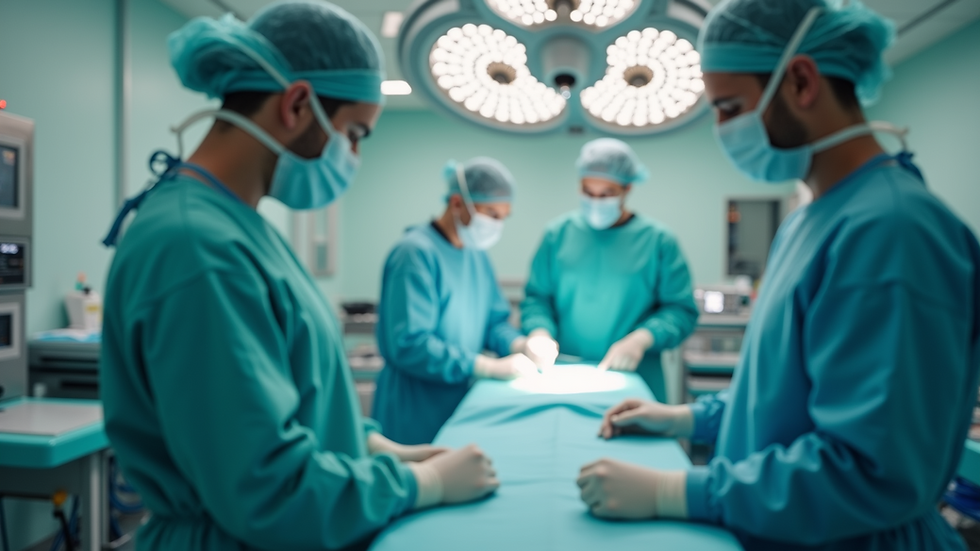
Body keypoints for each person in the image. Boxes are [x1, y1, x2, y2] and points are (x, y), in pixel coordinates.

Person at [576, 1, 980, 550]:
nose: (722, 129)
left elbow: (870, 471)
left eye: (728, 106)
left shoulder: (893, 232)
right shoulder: (807, 222)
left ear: (801, 81)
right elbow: (778, 399)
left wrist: (679, 492)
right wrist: (685, 420)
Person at [100, 4, 498, 550]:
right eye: (354, 134)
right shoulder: (197, 248)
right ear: (296, 104)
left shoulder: (238, 228)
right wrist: (417, 483)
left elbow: (293, 409)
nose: (353, 156)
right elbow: (266, 490)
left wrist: (380, 450)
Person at [373, 157, 537, 446]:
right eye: (491, 214)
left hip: (460, 401)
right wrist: (482, 365)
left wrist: (519, 344)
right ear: (458, 203)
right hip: (415, 408)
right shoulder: (414, 255)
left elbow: (494, 322)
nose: (497, 225)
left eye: (503, 217)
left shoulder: (477, 256)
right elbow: (410, 344)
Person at [521, 138, 698, 399]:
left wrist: (643, 338)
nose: (596, 201)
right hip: (561, 375)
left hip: (637, 377)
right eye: (587, 191)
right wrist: (539, 332)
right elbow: (537, 298)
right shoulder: (556, 235)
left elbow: (680, 310)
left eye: (606, 194)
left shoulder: (658, 241)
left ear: (627, 189)